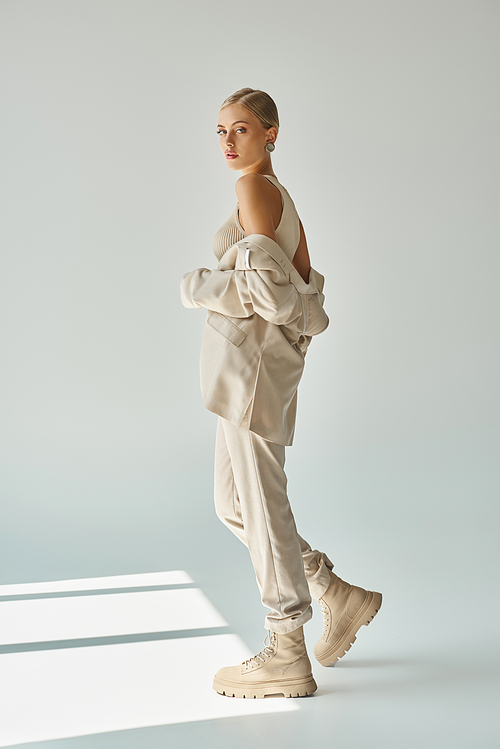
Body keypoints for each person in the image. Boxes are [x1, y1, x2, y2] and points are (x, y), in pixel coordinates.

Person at [180, 87, 382, 699]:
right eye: (219, 131)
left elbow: (270, 297)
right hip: (248, 371)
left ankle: (286, 648)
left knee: (260, 503)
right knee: (234, 504)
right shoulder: (268, 193)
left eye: (239, 129)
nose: (227, 141)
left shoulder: (256, 189)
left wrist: (197, 286)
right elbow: (288, 294)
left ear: (271, 133)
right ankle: (333, 592)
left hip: (254, 372)